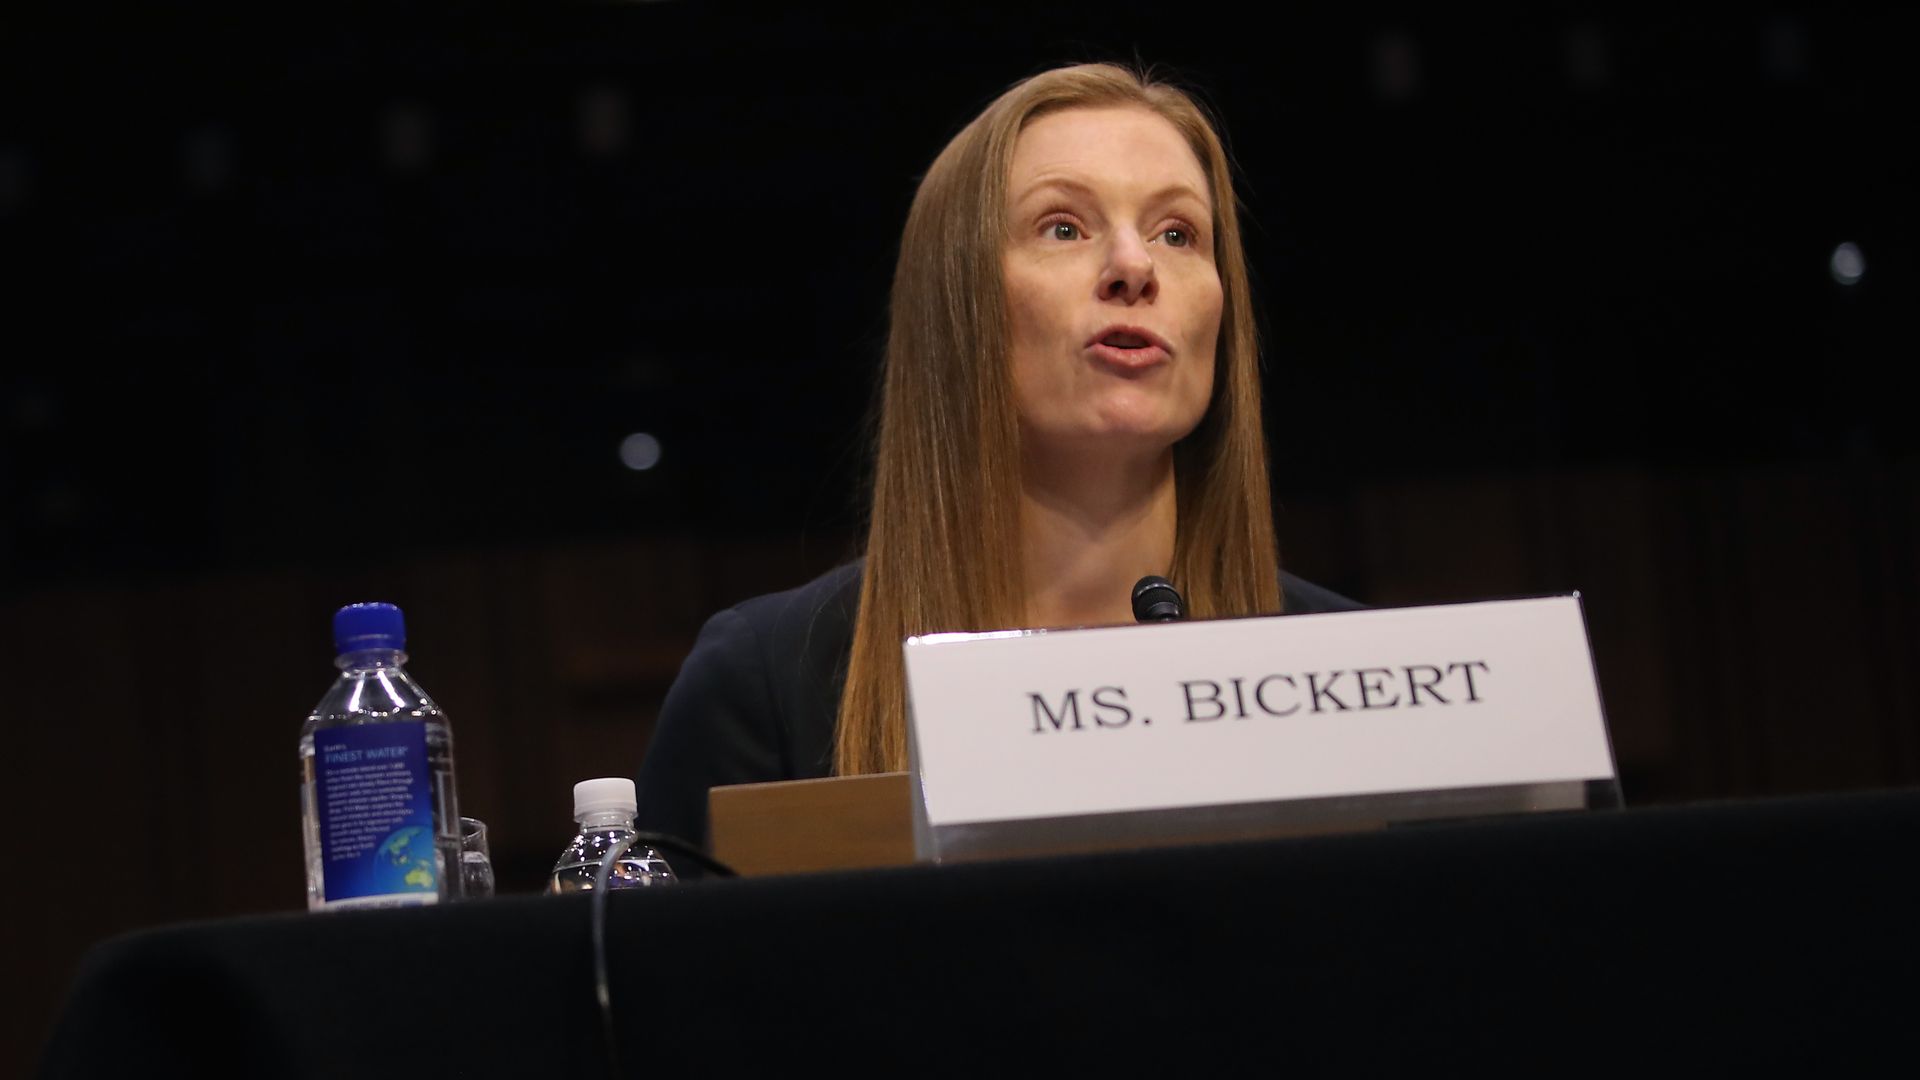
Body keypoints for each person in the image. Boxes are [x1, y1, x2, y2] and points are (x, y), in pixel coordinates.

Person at [634, 62, 1360, 849]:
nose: (1134, 267)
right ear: (958, 307)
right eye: (1064, 228)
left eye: (1177, 233)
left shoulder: (1356, 676)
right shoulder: (768, 688)